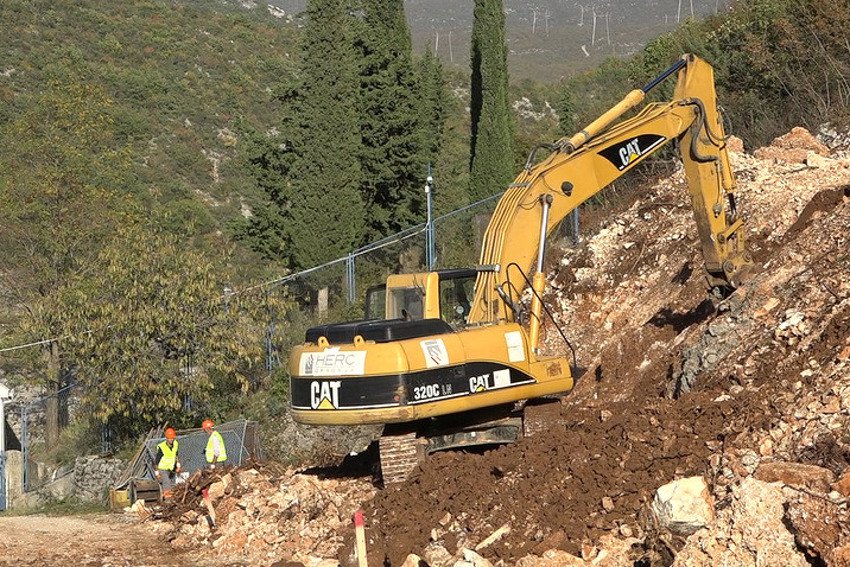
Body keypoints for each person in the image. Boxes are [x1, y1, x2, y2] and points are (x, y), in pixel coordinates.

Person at [155, 427, 181, 497]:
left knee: (172, 484)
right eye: (169, 438)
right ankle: (168, 500)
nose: (171, 440)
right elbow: (156, 461)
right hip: (162, 469)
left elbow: (176, 455)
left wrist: (178, 466)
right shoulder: (162, 447)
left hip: (171, 469)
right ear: (166, 438)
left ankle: (170, 497)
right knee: (166, 482)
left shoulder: (175, 444)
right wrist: (157, 473)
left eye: (172, 438)